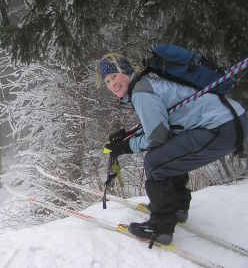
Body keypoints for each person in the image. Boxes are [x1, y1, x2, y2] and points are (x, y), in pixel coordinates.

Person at [97, 52, 248, 244]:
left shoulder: (141, 93)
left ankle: (161, 228)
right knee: (167, 154)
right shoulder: (146, 85)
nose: (112, 85)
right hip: (231, 119)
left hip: (221, 126)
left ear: (126, 72)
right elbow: (164, 126)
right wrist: (129, 138)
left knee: (155, 162)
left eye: (114, 76)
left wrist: (126, 147)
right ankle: (177, 208)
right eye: (107, 81)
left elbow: (158, 136)